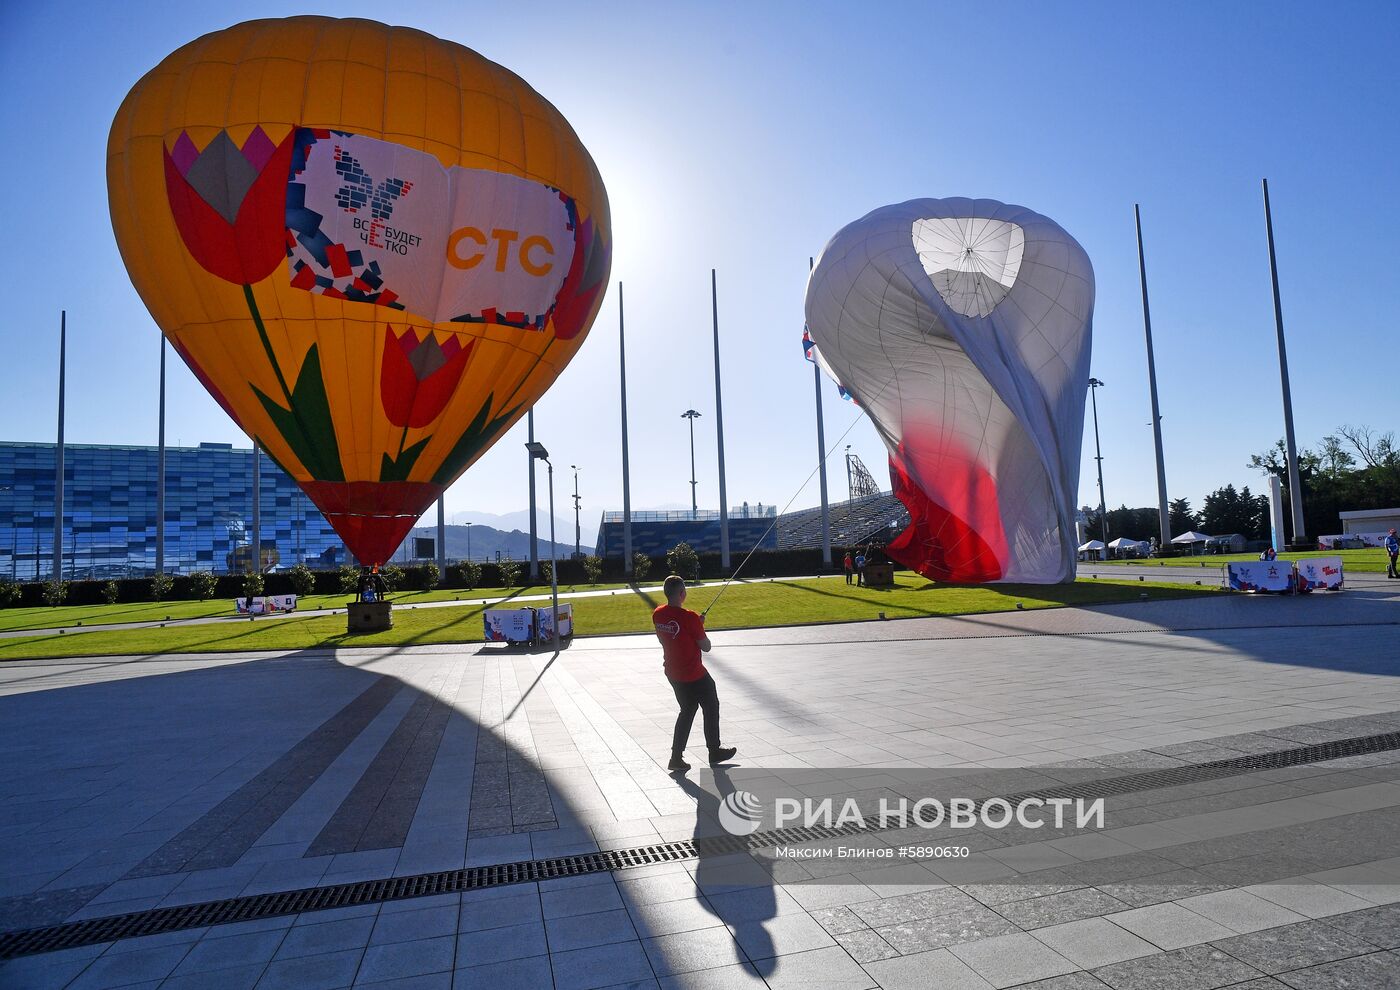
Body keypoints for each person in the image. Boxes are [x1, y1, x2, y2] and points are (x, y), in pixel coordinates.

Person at [653, 574, 736, 772]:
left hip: (673, 672)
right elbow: (706, 647)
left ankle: (676, 757)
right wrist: (698, 625)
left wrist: (696, 624)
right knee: (711, 704)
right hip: (693, 673)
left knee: (687, 710)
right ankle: (714, 750)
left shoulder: (658, 614)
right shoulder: (690, 617)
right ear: (682, 593)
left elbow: (677, 630)